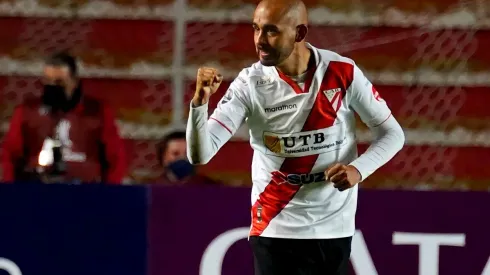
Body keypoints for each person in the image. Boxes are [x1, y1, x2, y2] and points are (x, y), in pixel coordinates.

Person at [186, 0, 405, 274]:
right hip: (274, 225)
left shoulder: (342, 72)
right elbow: (200, 154)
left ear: (299, 33)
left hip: (332, 227)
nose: (259, 41)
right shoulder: (248, 84)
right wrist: (199, 104)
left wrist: (358, 170)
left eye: (271, 31)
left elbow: (393, 134)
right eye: (255, 29)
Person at [1, 51, 127, 184]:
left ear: (75, 82)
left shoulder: (97, 111)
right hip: (38, 190)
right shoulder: (28, 111)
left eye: (60, 82)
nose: (53, 87)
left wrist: (110, 194)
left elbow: (115, 158)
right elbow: (11, 155)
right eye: (48, 81)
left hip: (85, 191)